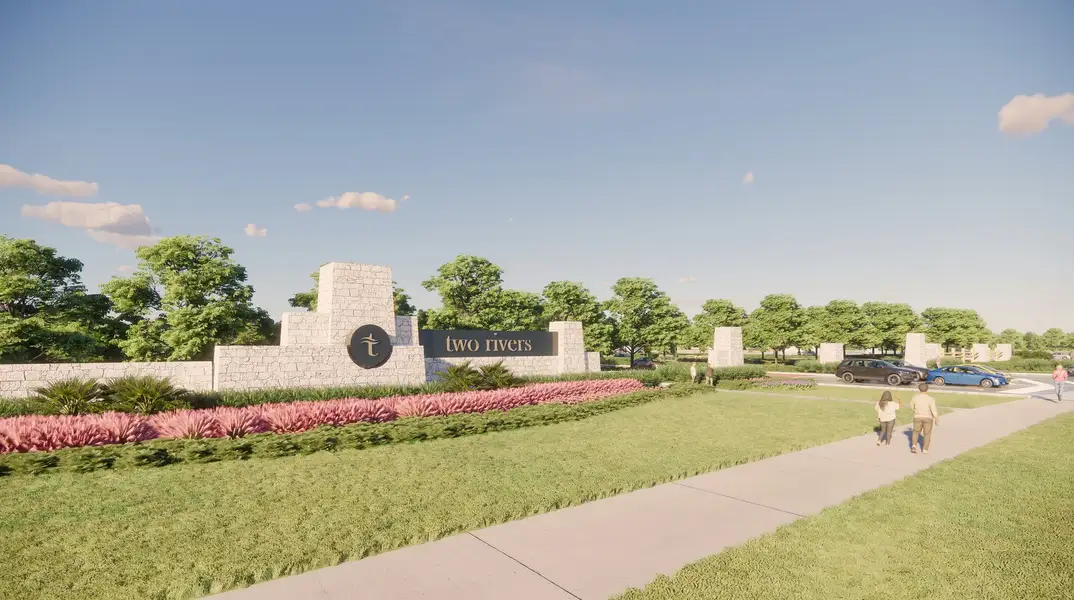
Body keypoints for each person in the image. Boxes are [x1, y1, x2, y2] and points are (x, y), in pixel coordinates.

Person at [910, 383, 939, 454]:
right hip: (928, 418)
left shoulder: (915, 398)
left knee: (916, 432)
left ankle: (914, 446)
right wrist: (936, 418)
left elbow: (912, 406)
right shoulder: (931, 399)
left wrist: (916, 411)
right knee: (927, 434)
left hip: (917, 417)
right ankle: (925, 449)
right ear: (927, 389)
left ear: (919, 389)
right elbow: (933, 409)